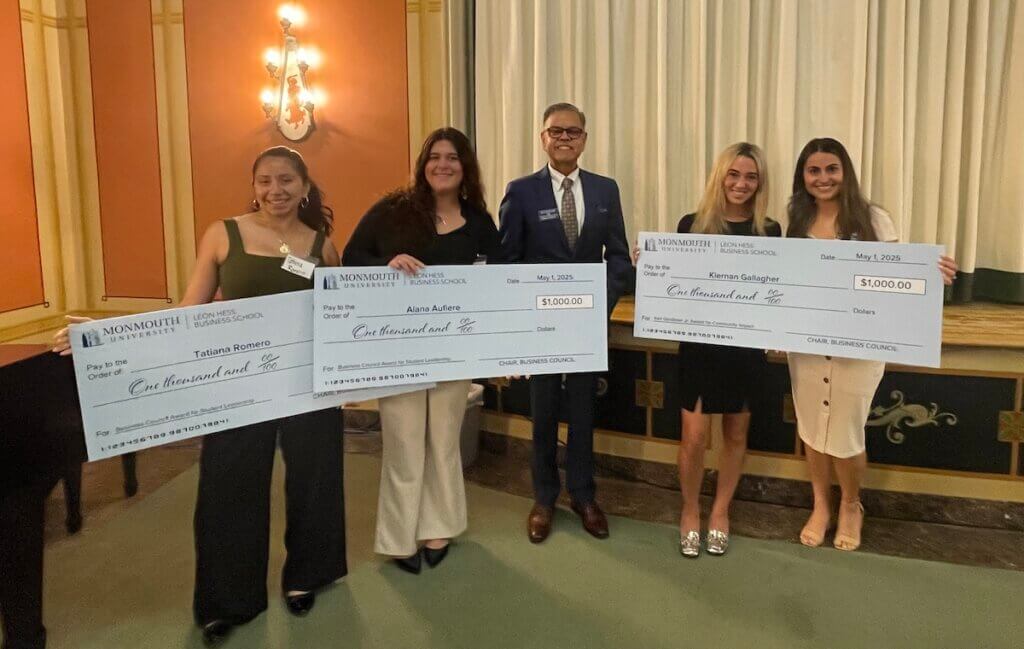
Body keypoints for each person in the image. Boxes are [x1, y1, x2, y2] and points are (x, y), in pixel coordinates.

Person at [53, 146, 345, 645]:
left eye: (286, 181)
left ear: (305, 187)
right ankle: (227, 600)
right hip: (237, 387)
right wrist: (103, 334)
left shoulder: (323, 246)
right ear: (253, 187)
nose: (275, 190)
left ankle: (307, 576)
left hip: (307, 386)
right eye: (265, 181)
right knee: (228, 488)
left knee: (316, 484)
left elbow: (339, 319)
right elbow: (188, 311)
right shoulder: (223, 234)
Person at [785, 138, 957, 551]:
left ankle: (850, 504)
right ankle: (820, 505)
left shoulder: (875, 219)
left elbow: (898, 280)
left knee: (845, 432)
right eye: (814, 170)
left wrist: (933, 276)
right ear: (803, 177)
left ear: (845, 171)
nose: (823, 178)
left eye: (831, 169)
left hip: (859, 348)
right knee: (811, 428)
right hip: (806, 346)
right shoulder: (794, 219)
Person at [343, 127, 500, 574]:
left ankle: (439, 525)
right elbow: (352, 259)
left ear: (465, 166)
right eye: (435, 156)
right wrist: (386, 265)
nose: (443, 164)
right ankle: (398, 537)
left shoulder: (479, 221)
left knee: (443, 441)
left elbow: (499, 280)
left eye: (452, 157)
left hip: (454, 351)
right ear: (423, 164)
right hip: (400, 352)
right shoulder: (392, 211)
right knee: (404, 443)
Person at [632, 142, 780, 557]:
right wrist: (651, 268)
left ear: (760, 183)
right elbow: (675, 288)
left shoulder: (771, 231)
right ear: (720, 177)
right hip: (699, 347)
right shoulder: (691, 225)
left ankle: (720, 511)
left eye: (750, 176)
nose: (741, 184)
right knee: (694, 437)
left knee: (735, 433)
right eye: (733, 174)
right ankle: (690, 509)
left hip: (745, 349)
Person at [498, 102, 631, 543]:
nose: (564, 139)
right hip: (540, 326)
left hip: (586, 324)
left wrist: (600, 304)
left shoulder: (605, 190)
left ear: (584, 140)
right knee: (543, 413)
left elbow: (617, 256)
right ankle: (543, 498)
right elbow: (508, 263)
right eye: (556, 132)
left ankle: (583, 495)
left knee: (582, 411)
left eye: (573, 132)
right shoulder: (521, 192)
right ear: (543, 138)